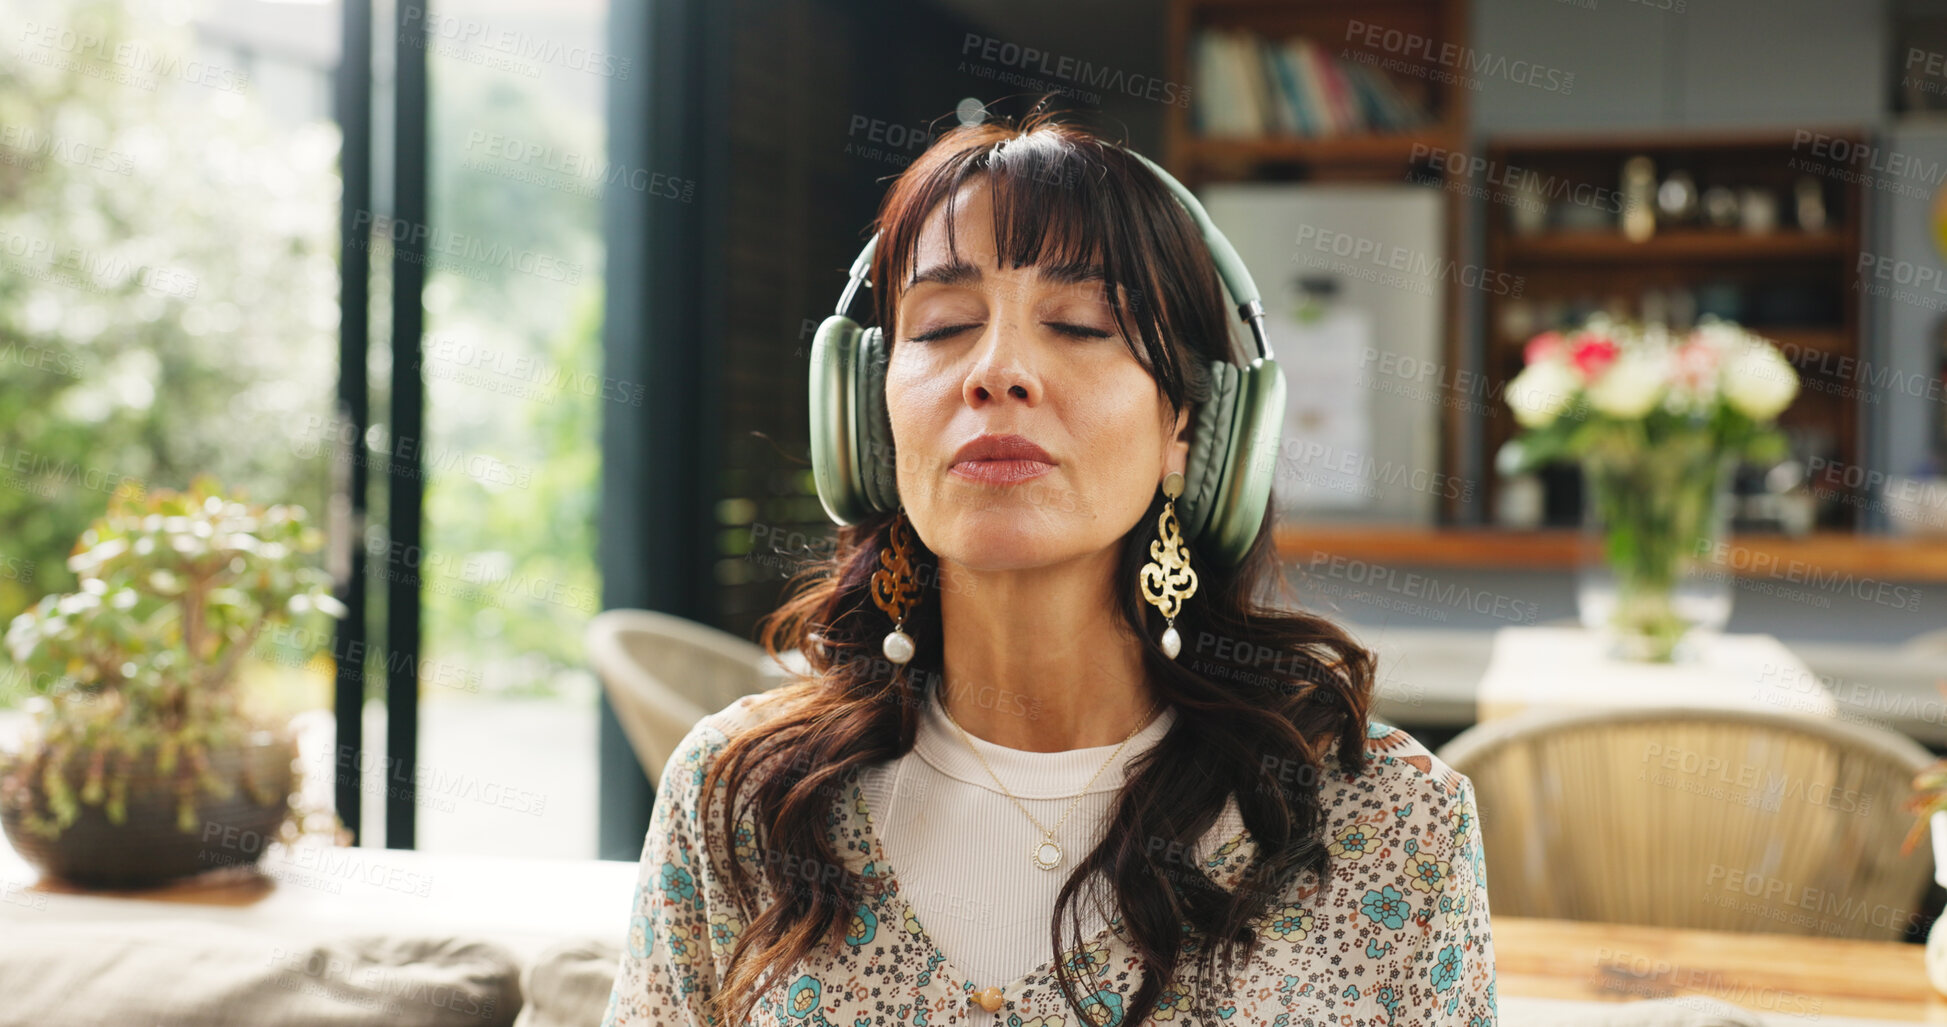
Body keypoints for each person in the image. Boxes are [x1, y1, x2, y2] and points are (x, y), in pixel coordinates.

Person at [603, 101, 1496, 1027]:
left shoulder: (1390, 823)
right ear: (868, 420)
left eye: (1078, 323)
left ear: (1188, 432)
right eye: (943, 324)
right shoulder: (739, 794)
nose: (996, 370)